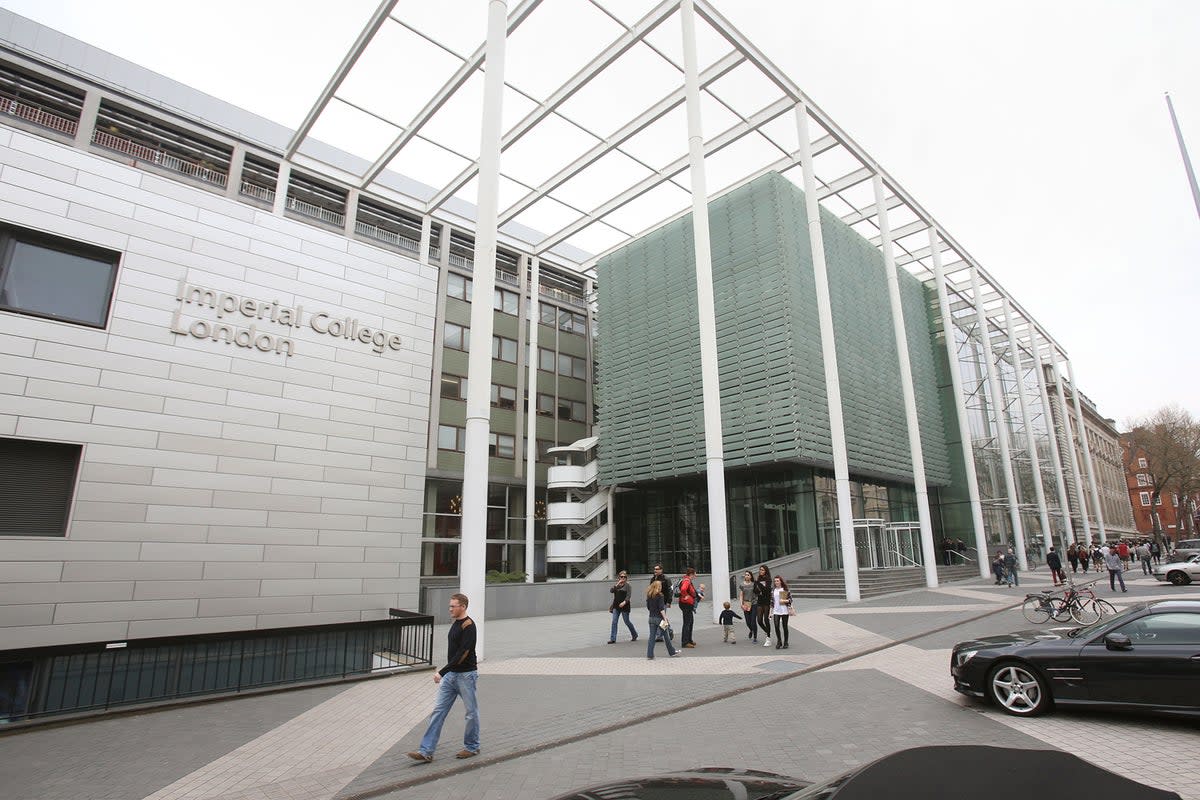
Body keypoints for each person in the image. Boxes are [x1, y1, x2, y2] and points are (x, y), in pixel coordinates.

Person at [407, 592, 479, 763]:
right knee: (438, 712)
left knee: (471, 713)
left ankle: (472, 747)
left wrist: (442, 672)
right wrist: (447, 673)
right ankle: (426, 751)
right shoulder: (456, 624)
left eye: (453, 606)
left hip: (466, 676)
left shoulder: (469, 626)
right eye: (450, 606)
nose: (450, 609)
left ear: (463, 606)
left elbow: (463, 654)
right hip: (451, 676)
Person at [645, 579, 678, 660]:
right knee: (666, 636)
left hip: (651, 618)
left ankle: (650, 654)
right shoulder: (660, 595)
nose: (661, 587)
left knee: (652, 637)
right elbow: (661, 609)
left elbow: (648, 607)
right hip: (660, 619)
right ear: (658, 587)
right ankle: (672, 652)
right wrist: (665, 619)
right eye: (660, 586)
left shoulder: (649, 595)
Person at [607, 571, 638, 644]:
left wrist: (624, 602)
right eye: (621, 577)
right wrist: (617, 584)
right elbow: (611, 591)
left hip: (625, 606)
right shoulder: (617, 586)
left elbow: (628, 596)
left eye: (624, 577)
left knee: (627, 622)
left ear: (626, 578)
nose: (623, 578)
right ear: (619, 577)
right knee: (614, 622)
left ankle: (634, 634)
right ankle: (613, 639)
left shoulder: (628, 586)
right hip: (616, 606)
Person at [677, 567, 701, 648]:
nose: (695, 576)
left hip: (685, 604)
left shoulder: (685, 579)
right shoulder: (687, 581)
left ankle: (689, 640)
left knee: (690, 622)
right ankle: (685, 642)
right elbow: (683, 589)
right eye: (695, 574)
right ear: (691, 574)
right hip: (686, 604)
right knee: (687, 623)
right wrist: (686, 596)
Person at [650, 564, 672, 642]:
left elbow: (670, 591)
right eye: (654, 569)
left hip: (663, 601)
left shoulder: (666, 579)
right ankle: (669, 630)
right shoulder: (653, 579)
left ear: (661, 570)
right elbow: (651, 590)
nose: (655, 570)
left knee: (661, 618)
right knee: (661, 618)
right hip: (654, 602)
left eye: (657, 569)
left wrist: (669, 601)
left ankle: (659, 636)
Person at [753, 565, 773, 647]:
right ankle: (767, 631)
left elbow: (766, 590)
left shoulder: (768, 579)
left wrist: (759, 585)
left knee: (766, 620)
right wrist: (758, 589)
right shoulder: (759, 579)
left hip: (766, 601)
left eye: (762, 570)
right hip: (760, 601)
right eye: (760, 570)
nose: (760, 571)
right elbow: (755, 590)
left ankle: (768, 639)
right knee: (759, 620)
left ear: (766, 571)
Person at [771, 575, 791, 649]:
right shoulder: (773, 590)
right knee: (776, 626)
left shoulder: (784, 589)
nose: (776, 582)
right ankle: (779, 641)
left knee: (784, 626)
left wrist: (784, 600)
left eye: (777, 581)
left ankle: (786, 642)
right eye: (775, 581)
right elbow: (772, 602)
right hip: (776, 611)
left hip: (784, 610)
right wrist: (771, 612)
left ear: (781, 581)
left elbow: (790, 600)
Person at [738, 571, 758, 643]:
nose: (746, 576)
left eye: (748, 575)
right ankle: (751, 630)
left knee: (753, 621)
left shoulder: (754, 584)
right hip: (746, 604)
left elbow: (758, 592)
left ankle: (755, 637)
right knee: (747, 622)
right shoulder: (742, 585)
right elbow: (741, 595)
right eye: (745, 575)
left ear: (751, 576)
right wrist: (741, 604)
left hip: (754, 603)